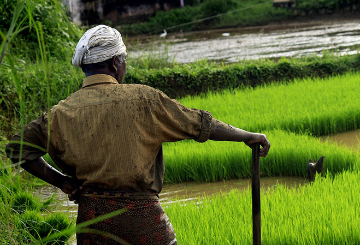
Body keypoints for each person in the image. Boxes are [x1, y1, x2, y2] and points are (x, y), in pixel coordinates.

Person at [6, 25, 270, 245]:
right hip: (143, 221)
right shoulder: (144, 99)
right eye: (124, 60)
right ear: (115, 63)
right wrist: (247, 135)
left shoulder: (60, 113)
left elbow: (16, 148)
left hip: (92, 224)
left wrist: (63, 182)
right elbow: (200, 124)